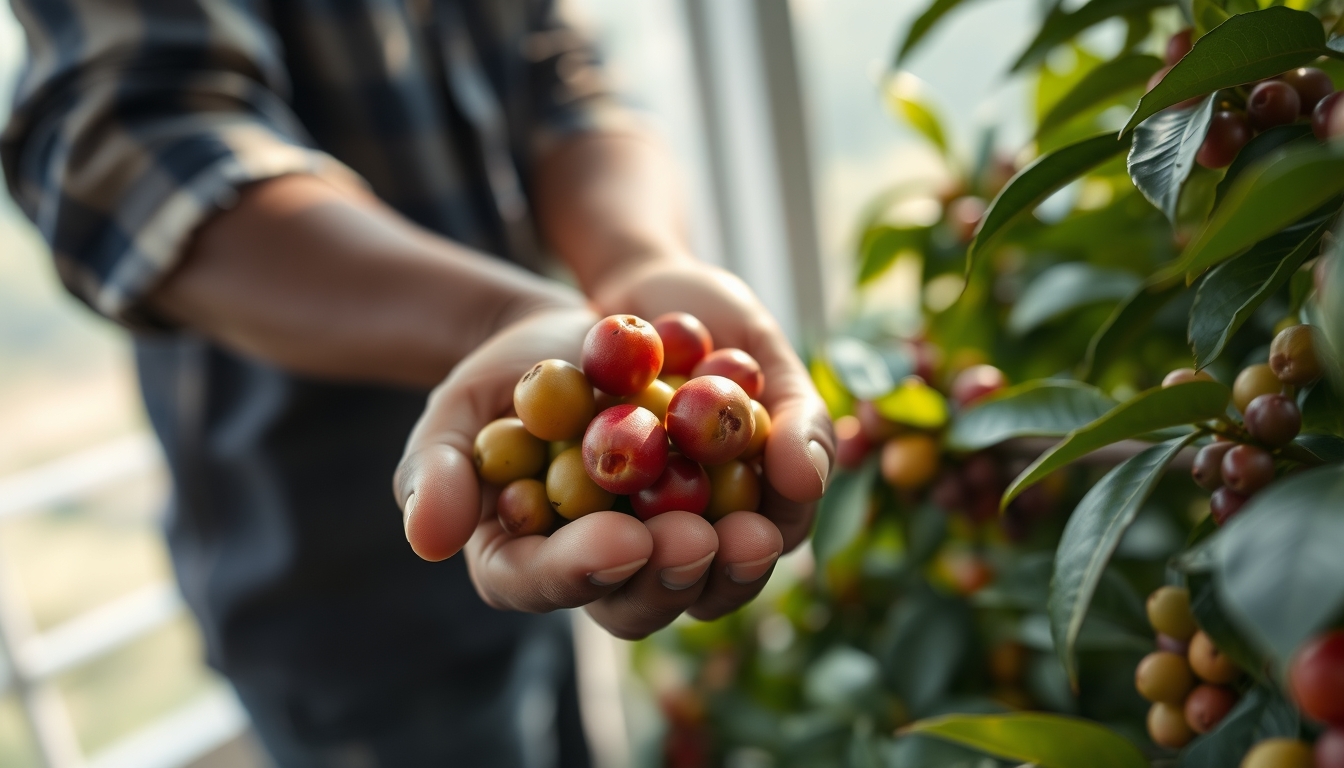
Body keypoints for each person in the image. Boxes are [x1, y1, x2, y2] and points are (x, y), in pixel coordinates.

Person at [1, 1, 834, 765]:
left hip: (548, 549)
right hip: (345, 606)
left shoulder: (584, 454)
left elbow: (564, 77)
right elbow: (139, 140)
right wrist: (493, 318)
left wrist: (637, 258)